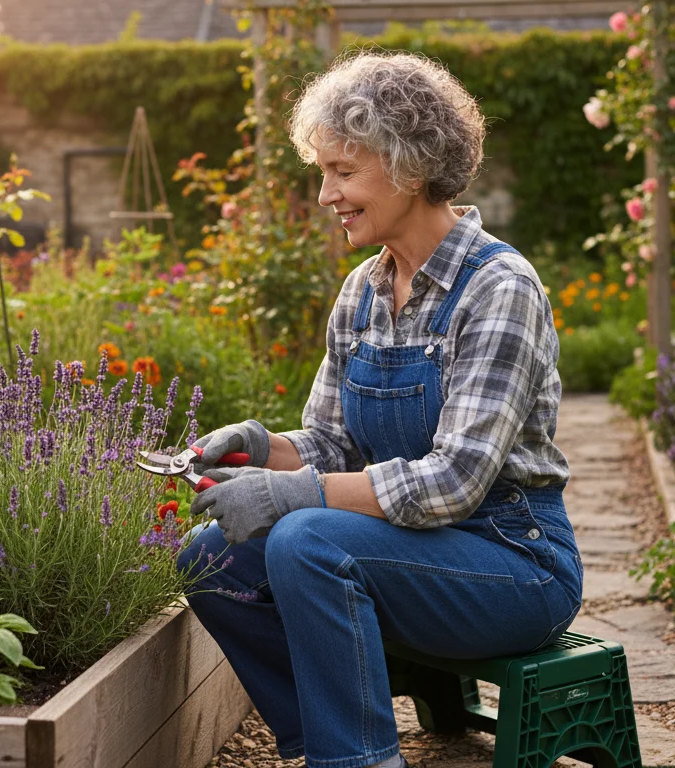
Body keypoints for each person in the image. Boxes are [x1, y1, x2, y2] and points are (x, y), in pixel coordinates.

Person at [174, 52, 582, 768]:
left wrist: (293, 496)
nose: (326, 193)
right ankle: (329, 736)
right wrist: (257, 448)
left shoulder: (499, 288)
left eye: (344, 171)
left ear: (412, 167)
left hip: (514, 561)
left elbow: (455, 481)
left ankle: (357, 759)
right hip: (413, 552)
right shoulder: (363, 291)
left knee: (307, 539)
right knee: (213, 558)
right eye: (323, 171)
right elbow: (332, 442)